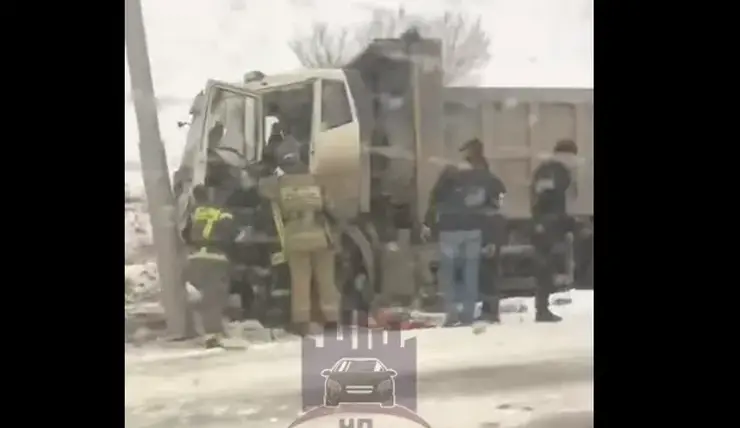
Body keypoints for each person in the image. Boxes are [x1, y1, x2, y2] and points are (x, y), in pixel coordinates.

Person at [422, 138, 506, 326]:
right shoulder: (486, 177)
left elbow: (434, 201)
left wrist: (428, 224)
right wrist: (493, 237)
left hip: (452, 229)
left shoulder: (449, 175)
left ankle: (456, 313)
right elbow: (496, 206)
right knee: (477, 271)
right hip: (474, 229)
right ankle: (480, 312)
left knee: (453, 272)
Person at [259, 140, 340, 336]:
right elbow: (332, 209)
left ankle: (302, 324)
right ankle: (332, 322)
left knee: (300, 281)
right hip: (321, 236)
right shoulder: (316, 179)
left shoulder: (277, 184)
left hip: (295, 238)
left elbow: (261, 189)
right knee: (326, 281)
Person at [182, 157, 242, 347]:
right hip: (215, 258)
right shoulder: (224, 212)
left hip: (195, 258)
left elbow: (185, 233)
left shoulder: (197, 210)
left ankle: (208, 330)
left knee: (203, 299)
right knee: (215, 299)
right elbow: (233, 235)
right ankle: (213, 335)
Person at [530, 139, 579, 322]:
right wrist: (543, 222)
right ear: (565, 155)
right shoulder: (553, 171)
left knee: (547, 268)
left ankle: (542, 309)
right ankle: (542, 310)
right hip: (548, 225)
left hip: (547, 224)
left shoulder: (549, 170)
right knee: (545, 268)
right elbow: (544, 199)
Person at [461, 139, 507, 323]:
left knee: (487, 272)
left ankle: (491, 311)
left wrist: (492, 239)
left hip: (487, 231)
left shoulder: (487, 182)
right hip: (481, 230)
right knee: (482, 272)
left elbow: (496, 208)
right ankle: (487, 310)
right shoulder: (489, 181)